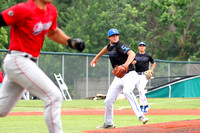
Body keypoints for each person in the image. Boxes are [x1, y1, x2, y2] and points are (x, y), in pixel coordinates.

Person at [0, 0, 85, 133]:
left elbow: (52, 32)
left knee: (2, 109)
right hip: (18, 59)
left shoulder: (51, 11)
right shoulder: (24, 9)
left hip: (25, 63)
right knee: (54, 96)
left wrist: (70, 42)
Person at [90, 29, 149, 129]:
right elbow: (106, 48)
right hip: (119, 77)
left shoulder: (120, 45)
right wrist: (96, 57)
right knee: (108, 101)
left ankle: (141, 116)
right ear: (109, 38)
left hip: (129, 74)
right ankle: (108, 123)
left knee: (127, 92)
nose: (115, 37)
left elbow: (132, 54)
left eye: (117, 35)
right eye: (113, 35)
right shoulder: (110, 46)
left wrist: (125, 65)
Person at [132, 42, 156, 114]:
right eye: (140, 46)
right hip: (136, 74)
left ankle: (143, 105)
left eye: (143, 46)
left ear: (145, 47)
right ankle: (146, 105)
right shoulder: (135, 55)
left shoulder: (148, 55)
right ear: (138, 47)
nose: (142, 47)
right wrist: (133, 62)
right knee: (140, 90)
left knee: (141, 89)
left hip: (144, 75)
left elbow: (154, 62)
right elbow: (131, 62)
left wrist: (151, 70)